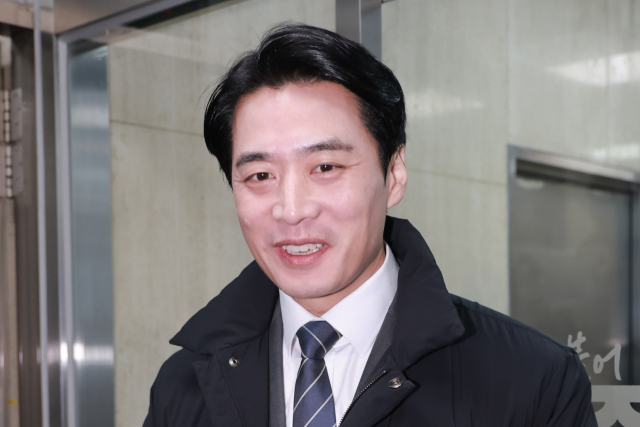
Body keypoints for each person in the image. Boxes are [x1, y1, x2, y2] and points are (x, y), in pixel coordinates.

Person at [142, 24, 596, 427]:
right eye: (260, 176)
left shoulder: (531, 380)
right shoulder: (184, 386)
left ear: (393, 174)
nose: (291, 210)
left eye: (325, 167)